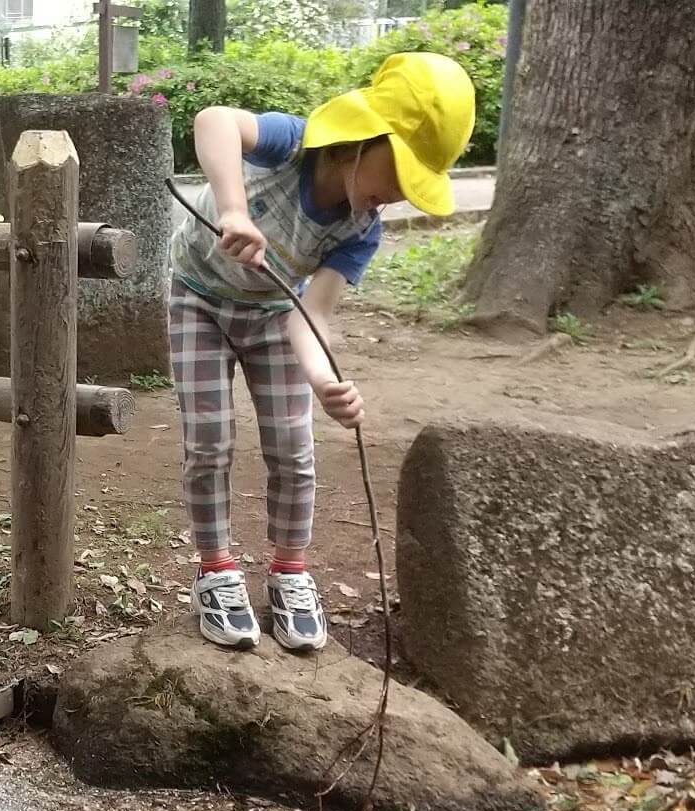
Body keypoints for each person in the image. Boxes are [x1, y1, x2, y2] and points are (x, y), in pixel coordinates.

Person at [169, 52, 474, 651]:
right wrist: (233, 210)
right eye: (399, 173)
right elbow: (214, 121)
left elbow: (314, 315)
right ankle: (217, 570)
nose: (397, 195)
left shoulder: (362, 229)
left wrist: (322, 381)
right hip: (197, 298)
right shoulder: (294, 145)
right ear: (364, 139)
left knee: (293, 446)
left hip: (274, 314)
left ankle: (289, 572)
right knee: (210, 440)